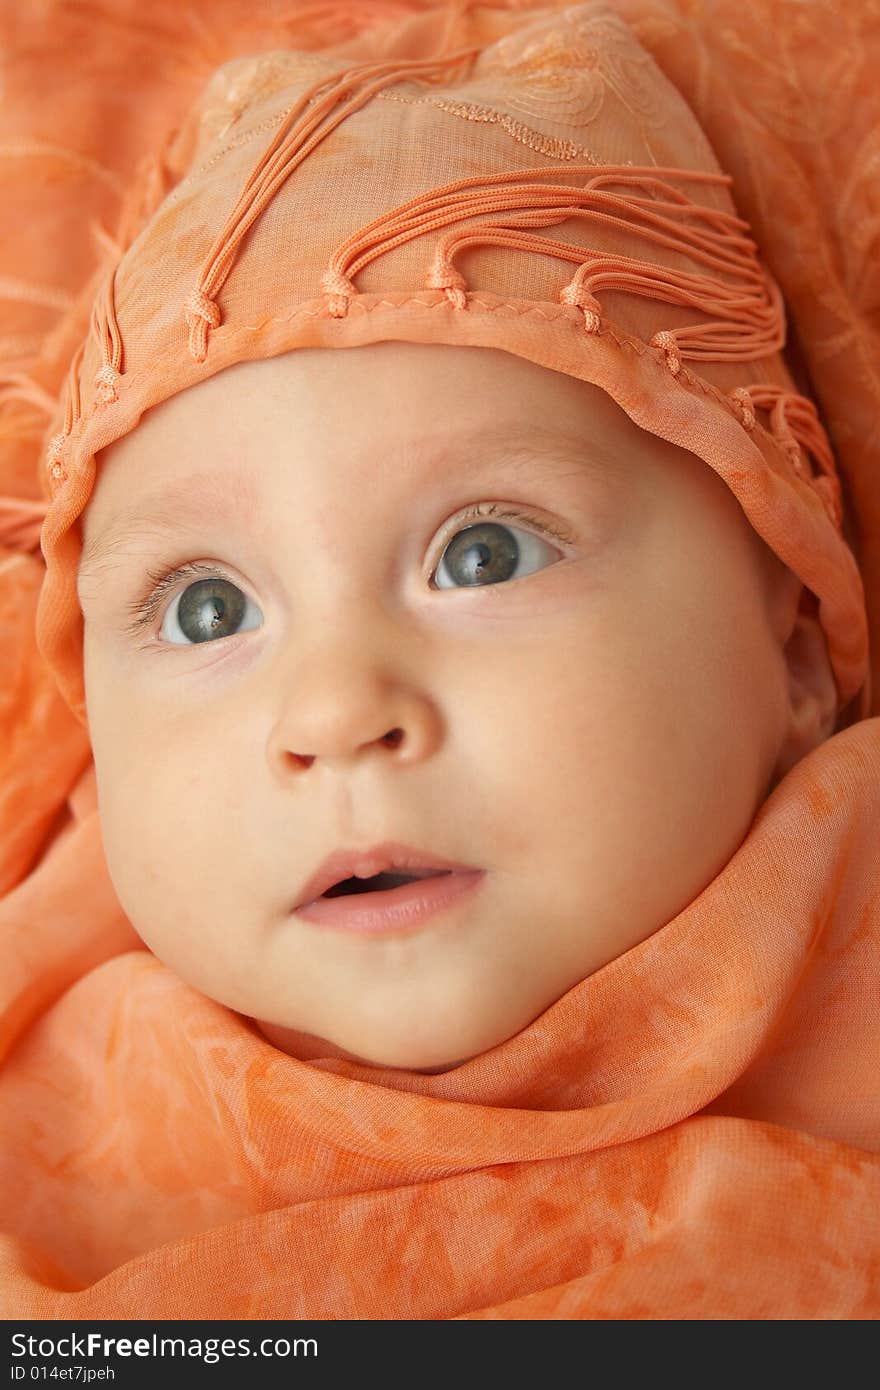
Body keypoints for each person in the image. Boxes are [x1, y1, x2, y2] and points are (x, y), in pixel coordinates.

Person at [1, 0, 878, 1319]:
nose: (336, 711)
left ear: (797, 649)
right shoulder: (52, 1108)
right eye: (203, 609)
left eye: (483, 554)